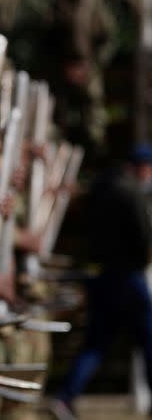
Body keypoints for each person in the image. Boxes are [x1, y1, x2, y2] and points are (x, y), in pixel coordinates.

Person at [51, 145, 152, 420]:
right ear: (142, 166)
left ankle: (65, 396)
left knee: (96, 342)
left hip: (101, 275)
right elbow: (142, 235)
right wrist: (142, 261)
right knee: (148, 338)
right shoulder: (131, 192)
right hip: (129, 276)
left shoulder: (99, 187)